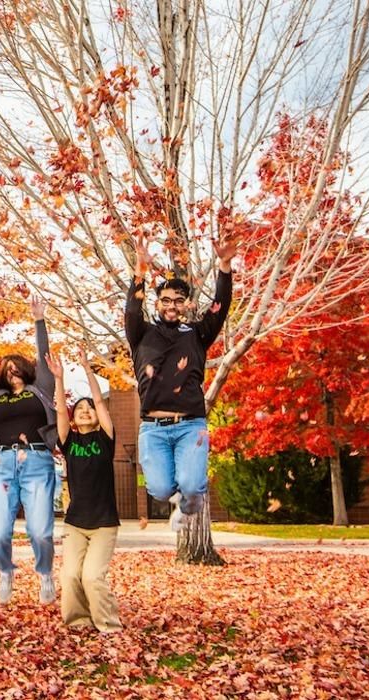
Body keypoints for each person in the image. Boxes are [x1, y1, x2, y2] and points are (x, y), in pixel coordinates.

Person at [125, 238, 236, 530]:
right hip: (153, 429)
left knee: (190, 483)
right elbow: (132, 309)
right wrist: (140, 270)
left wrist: (224, 267)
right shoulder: (141, 334)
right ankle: (183, 497)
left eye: (178, 300)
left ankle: (191, 502)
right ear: (158, 303)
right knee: (160, 490)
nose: (172, 305)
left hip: (190, 426)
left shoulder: (197, 335)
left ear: (186, 304)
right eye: (166, 300)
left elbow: (220, 308)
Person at [0, 295, 59, 606]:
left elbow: (45, 354)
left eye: (16, 367)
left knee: (39, 531)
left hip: (36, 461)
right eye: (6, 368)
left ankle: (45, 572)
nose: (11, 371)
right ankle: (6, 572)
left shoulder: (41, 390)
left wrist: (39, 321)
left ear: (26, 369)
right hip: (3, 465)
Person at [50, 350, 123, 633]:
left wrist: (87, 370)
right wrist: (59, 379)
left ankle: (109, 625)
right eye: (79, 408)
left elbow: (102, 404)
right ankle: (78, 621)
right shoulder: (69, 442)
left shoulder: (106, 438)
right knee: (70, 576)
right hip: (76, 522)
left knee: (92, 576)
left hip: (104, 523)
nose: (84, 410)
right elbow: (59, 411)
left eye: (88, 408)